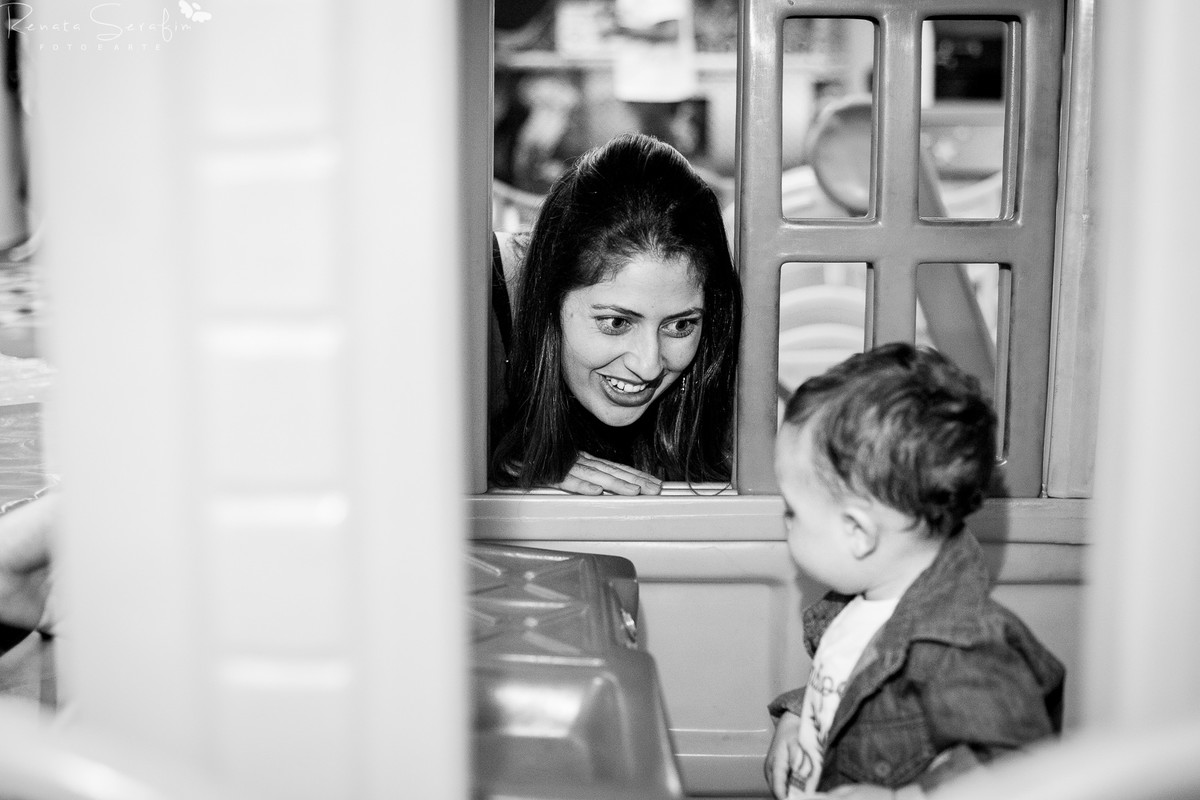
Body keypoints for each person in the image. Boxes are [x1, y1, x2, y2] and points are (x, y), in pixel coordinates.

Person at [764, 343, 1064, 799]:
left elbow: (1017, 769)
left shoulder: (961, 648)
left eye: (793, 511)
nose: (785, 522)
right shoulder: (861, 599)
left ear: (858, 532)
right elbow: (847, 684)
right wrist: (796, 718)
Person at [489, 132, 740, 495]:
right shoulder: (463, 308)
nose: (649, 365)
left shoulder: (717, 363)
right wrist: (488, 462)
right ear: (550, 293)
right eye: (617, 323)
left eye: (681, 325)